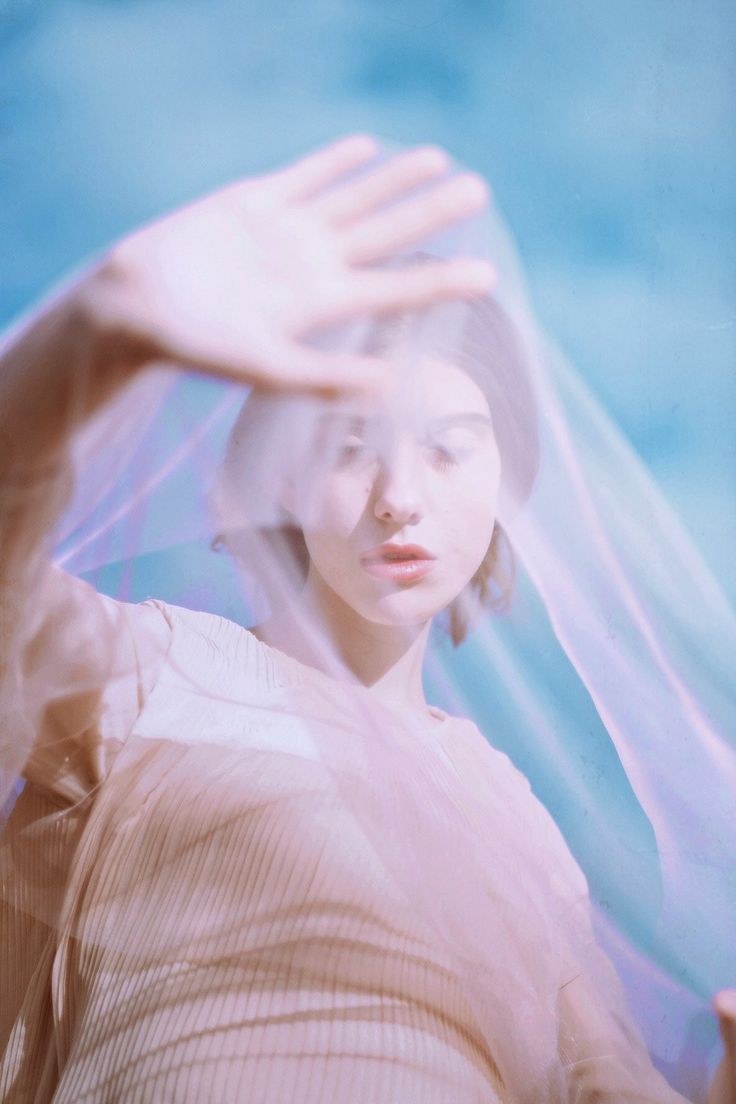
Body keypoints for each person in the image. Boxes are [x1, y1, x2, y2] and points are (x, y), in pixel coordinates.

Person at [0, 135, 733, 1102]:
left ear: (508, 481)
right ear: (282, 477)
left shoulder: (511, 806)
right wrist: (82, 339)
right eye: (349, 446)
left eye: (449, 450)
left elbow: (605, 1091)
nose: (399, 498)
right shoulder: (153, 673)